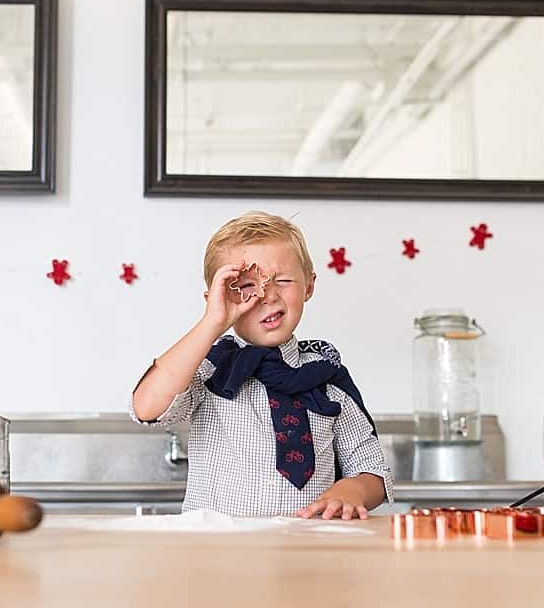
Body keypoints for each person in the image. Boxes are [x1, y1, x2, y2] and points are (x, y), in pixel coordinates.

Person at [131, 212, 390, 517]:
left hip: (308, 552)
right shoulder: (207, 370)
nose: (267, 296)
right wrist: (213, 321)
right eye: (246, 286)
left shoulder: (327, 377)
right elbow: (147, 408)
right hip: (216, 553)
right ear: (217, 297)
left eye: (283, 280)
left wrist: (353, 489)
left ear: (309, 286)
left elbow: (373, 470)